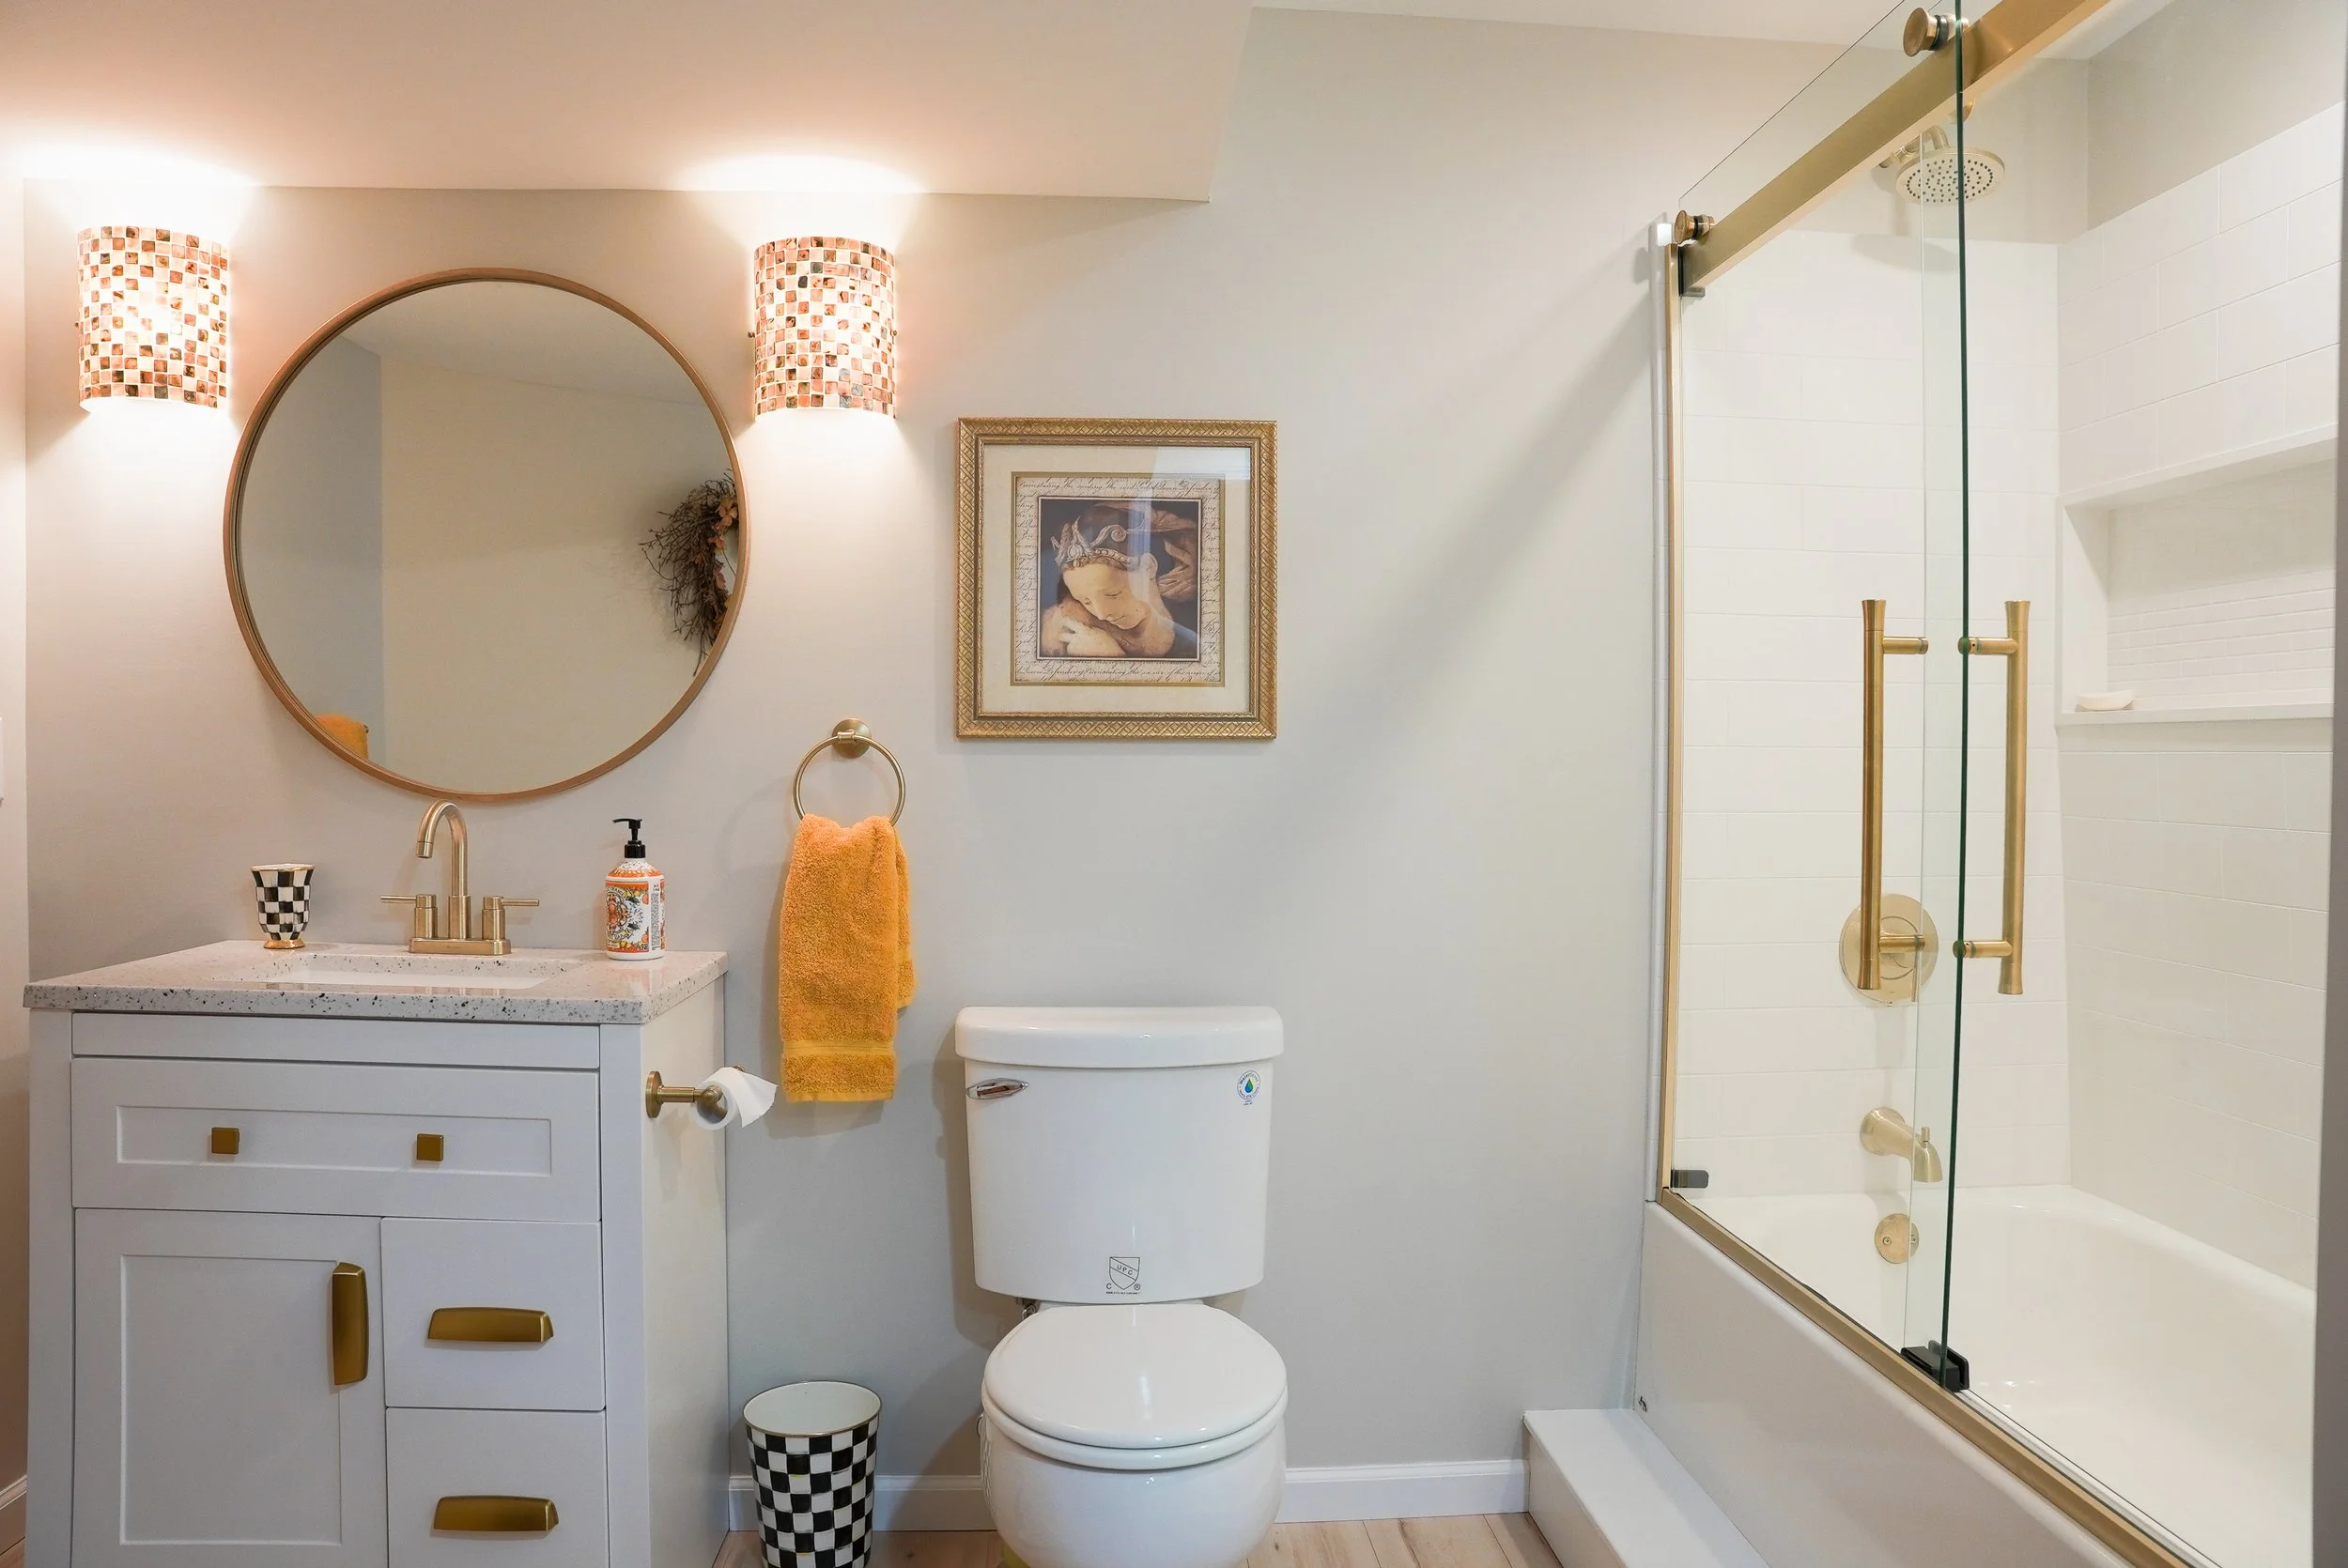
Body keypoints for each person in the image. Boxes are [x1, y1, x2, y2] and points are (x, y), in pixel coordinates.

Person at [1040, 500, 1199, 659]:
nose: (1102, 614)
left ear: (1148, 568)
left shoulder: (1196, 627)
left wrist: (1112, 657)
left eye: (1112, 594)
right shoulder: (1067, 636)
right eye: (1085, 601)